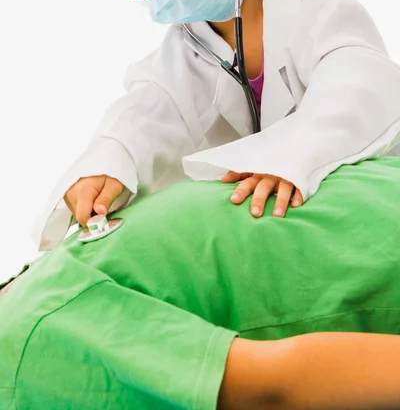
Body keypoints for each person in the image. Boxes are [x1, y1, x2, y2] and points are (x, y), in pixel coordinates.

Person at [33, 0, 400, 252]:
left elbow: (359, 86)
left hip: (372, 217)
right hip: (282, 245)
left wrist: (289, 156)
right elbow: (141, 117)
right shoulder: (178, 59)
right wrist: (104, 166)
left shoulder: (319, 5)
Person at [2, 156, 400, 409]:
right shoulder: (30, 292)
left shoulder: (22, 353)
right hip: (366, 196)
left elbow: (274, 387)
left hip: (375, 261)